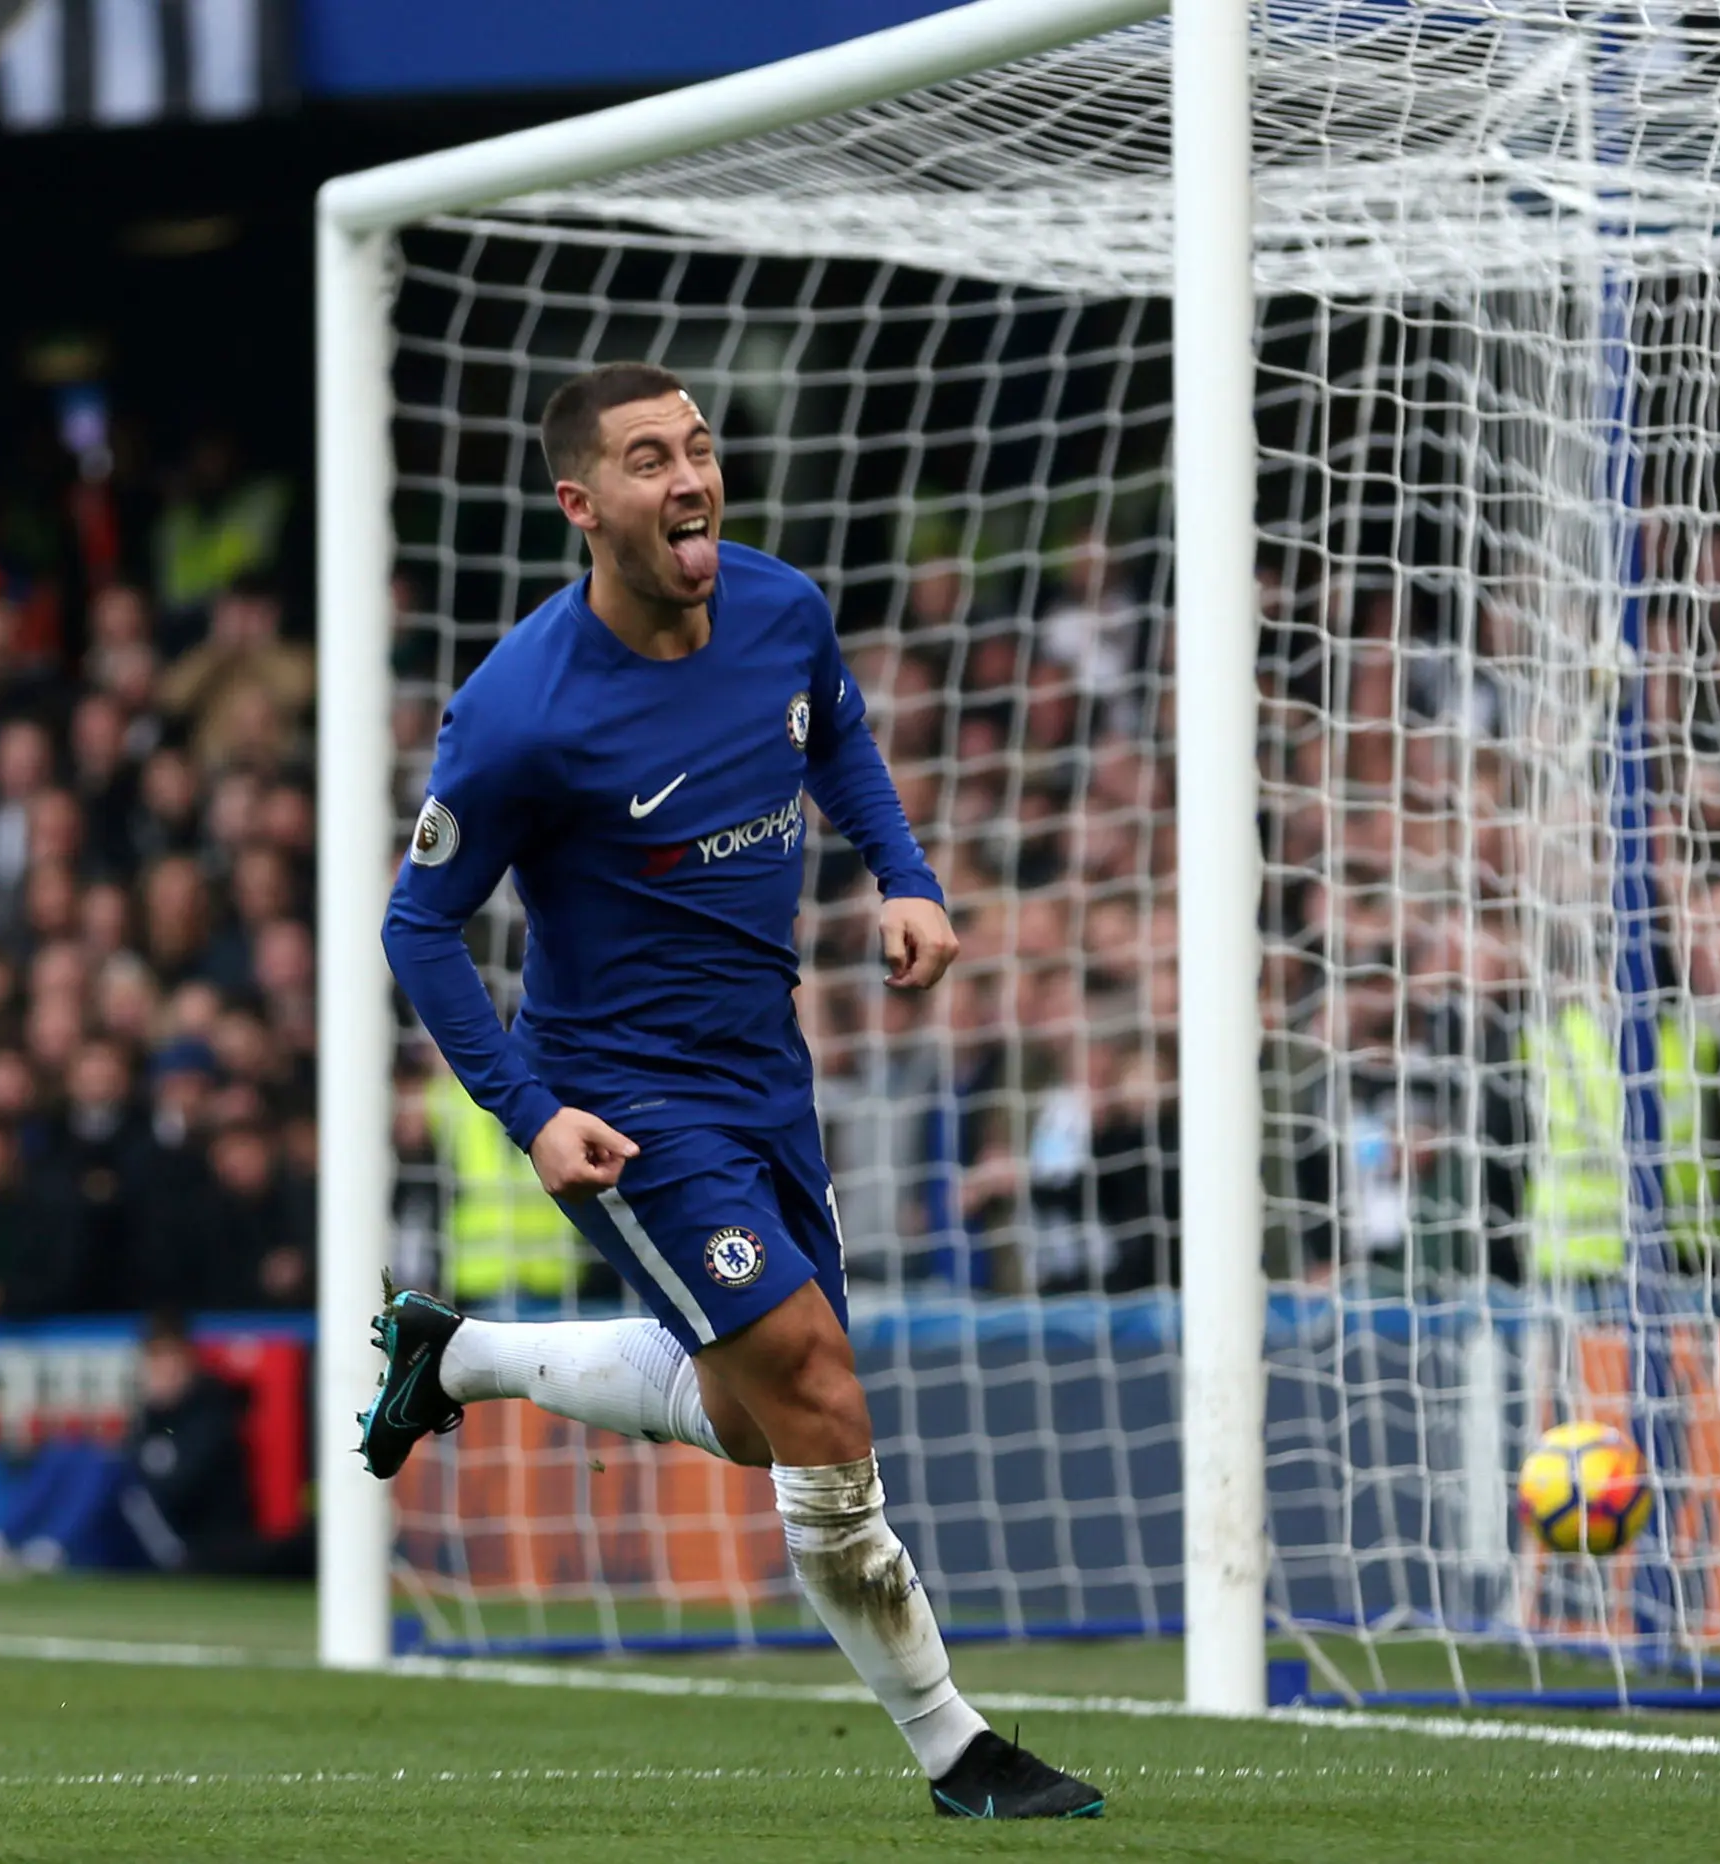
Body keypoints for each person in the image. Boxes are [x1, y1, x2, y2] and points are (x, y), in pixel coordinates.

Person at [366, 364, 1100, 1821]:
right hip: (624, 1099)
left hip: (767, 1069)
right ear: (583, 504)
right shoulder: (519, 711)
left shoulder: (779, 606)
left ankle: (459, 1360)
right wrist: (529, 1113)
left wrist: (902, 873)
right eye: (650, 459)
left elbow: (833, 731)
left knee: (763, 1418)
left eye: (699, 447)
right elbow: (418, 926)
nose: (690, 476)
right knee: (820, 1383)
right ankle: (959, 1750)